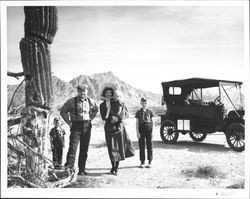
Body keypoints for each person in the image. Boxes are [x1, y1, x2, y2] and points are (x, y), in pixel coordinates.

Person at [60, 84, 98, 175]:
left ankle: (82, 170)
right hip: (75, 127)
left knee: (84, 149)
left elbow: (96, 110)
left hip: (87, 126)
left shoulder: (90, 101)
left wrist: (90, 119)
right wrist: (69, 122)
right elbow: (63, 111)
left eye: (84, 91)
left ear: (87, 92)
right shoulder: (71, 101)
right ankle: (69, 169)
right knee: (73, 149)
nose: (83, 92)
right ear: (78, 91)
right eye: (81, 90)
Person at [99, 86, 134, 175]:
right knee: (111, 148)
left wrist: (118, 119)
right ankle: (112, 167)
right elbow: (103, 117)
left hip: (118, 127)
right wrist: (111, 118)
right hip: (108, 127)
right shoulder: (102, 105)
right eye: (106, 93)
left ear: (113, 94)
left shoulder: (119, 102)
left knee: (118, 148)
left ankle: (116, 168)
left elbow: (126, 114)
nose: (109, 95)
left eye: (110, 93)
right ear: (104, 94)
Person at [135, 97, 154, 168]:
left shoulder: (150, 112)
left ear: (147, 103)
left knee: (150, 146)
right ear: (140, 103)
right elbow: (137, 123)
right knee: (141, 146)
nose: (144, 104)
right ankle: (142, 162)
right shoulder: (138, 112)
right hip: (141, 130)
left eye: (145, 103)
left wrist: (152, 131)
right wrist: (137, 132)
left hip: (149, 130)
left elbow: (153, 122)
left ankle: (150, 162)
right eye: (142, 103)